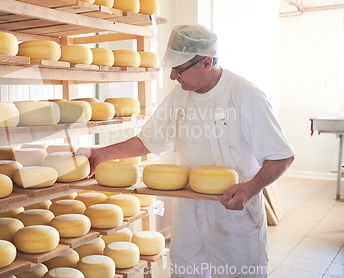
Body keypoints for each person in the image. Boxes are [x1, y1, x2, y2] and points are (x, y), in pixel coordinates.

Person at [77, 24, 295, 278]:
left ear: (206, 62)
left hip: (234, 213)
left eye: (179, 70)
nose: (172, 77)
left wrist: (251, 188)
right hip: (190, 211)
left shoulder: (244, 95)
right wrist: (103, 153)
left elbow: (282, 156)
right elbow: (148, 140)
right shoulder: (180, 96)